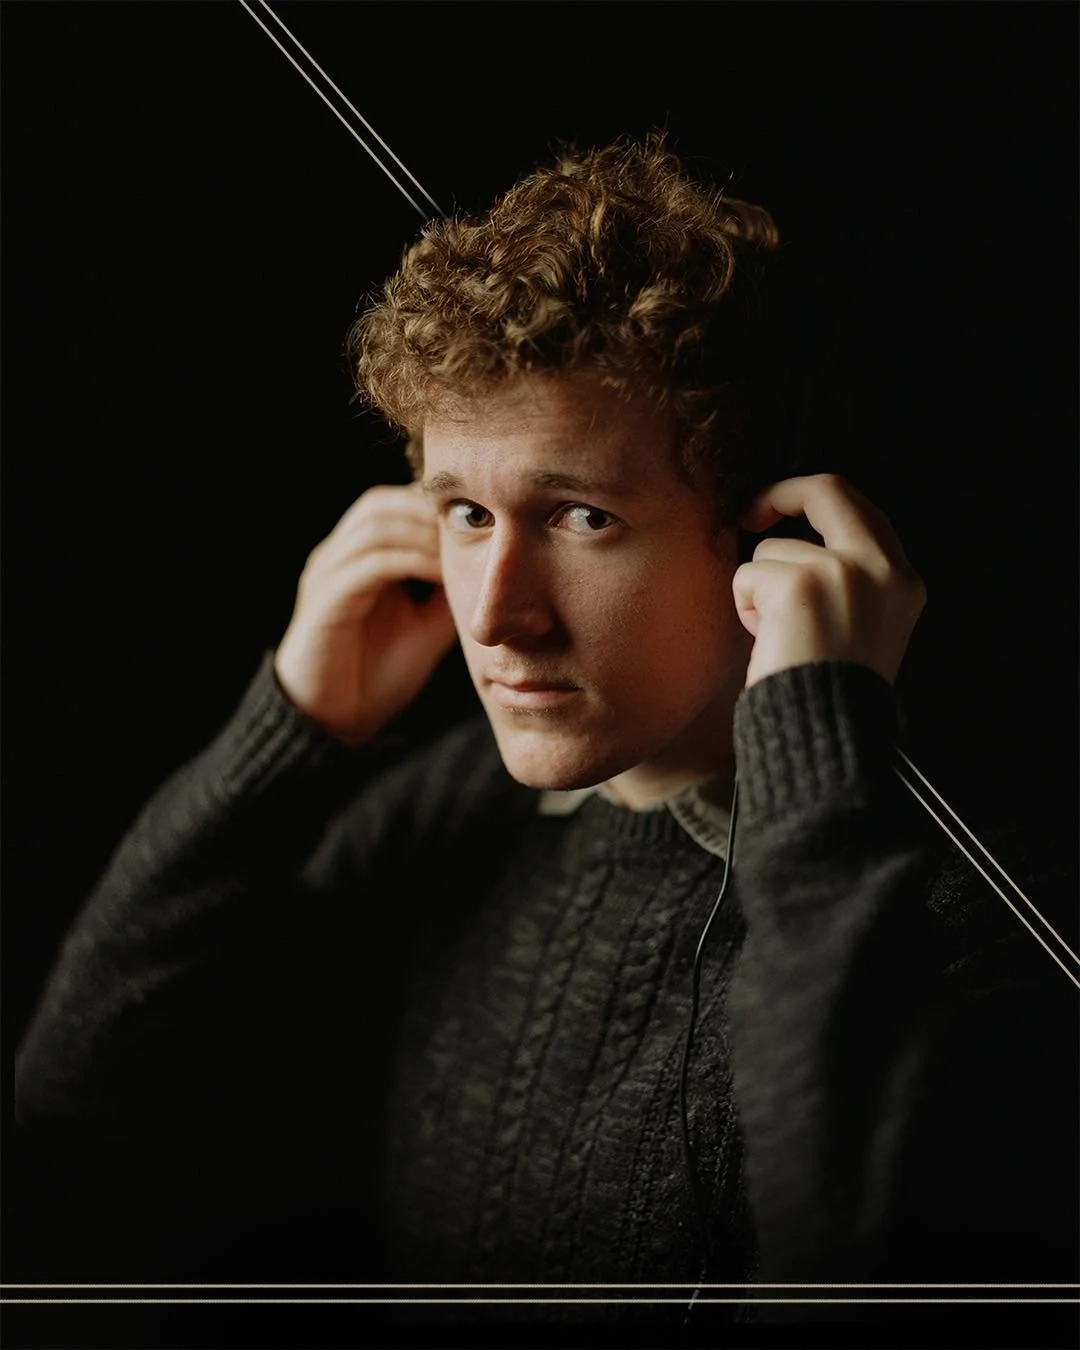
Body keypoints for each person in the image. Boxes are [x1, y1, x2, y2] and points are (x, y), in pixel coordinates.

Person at [13, 135, 1077, 1336]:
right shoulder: (449, 817)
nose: (495, 613)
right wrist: (286, 735)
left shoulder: (971, 913)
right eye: (464, 512)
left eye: (580, 515)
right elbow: (72, 1115)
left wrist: (816, 773)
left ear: (775, 537)